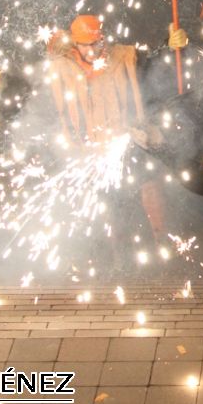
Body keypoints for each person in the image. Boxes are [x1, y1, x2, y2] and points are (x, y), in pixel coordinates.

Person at [46, 14, 187, 250]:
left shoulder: (122, 56)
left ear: (102, 39)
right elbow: (43, 102)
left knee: (149, 184)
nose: (91, 50)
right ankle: (120, 254)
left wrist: (170, 46)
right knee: (111, 201)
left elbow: (151, 62)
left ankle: (163, 241)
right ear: (75, 44)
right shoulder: (62, 69)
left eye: (95, 43)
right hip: (94, 147)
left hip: (130, 135)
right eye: (85, 45)